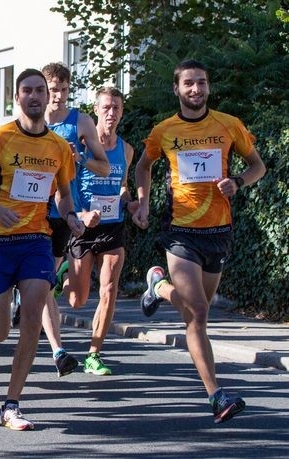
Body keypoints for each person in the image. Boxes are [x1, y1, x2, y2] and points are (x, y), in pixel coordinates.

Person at [134, 59, 265, 424]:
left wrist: (238, 182)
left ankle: (158, 286)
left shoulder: (228, 125)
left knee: (195, 311)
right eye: (188, 84)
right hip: (180, 232)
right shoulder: (165, 131)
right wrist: (143, 202)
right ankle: (216, 395)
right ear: (176, 89)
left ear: (208, 87)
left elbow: (258, 166)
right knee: (199, 315)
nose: (196, 89)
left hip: (218, 232)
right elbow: (144, 165)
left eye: (201, 83)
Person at [0, 68, 84, 431]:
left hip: (36, 241)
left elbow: (63, 194)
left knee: (31, 315)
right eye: (26, 90)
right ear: (17, 98)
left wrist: (72, 216)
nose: (34, 97)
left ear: (47, 98)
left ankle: (11, 404)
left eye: (39, 91)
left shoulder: (59, 147)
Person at [39, 62, 109, 377]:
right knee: (40, 281)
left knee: (43, 282)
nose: (60, 97)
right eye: (54, 90)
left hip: (65, 213)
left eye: (65, 91)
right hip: (34, 211)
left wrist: (79, 157)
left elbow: (104, 167)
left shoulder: (80, 122)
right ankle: (58, 350)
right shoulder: (31, 121)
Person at [62, 87, 138, 375]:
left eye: (116, 108)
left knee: (109, 289)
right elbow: (65, 186)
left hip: (112, 227)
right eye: (106, 107)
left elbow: (123, 186)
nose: (111, 113)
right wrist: (79, 214)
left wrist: (131, 204)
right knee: (77, 300)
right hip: (82, 226)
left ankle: (94, 354)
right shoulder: (79, 146)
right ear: (95, 110)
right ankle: (64, 277)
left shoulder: (126, 150)